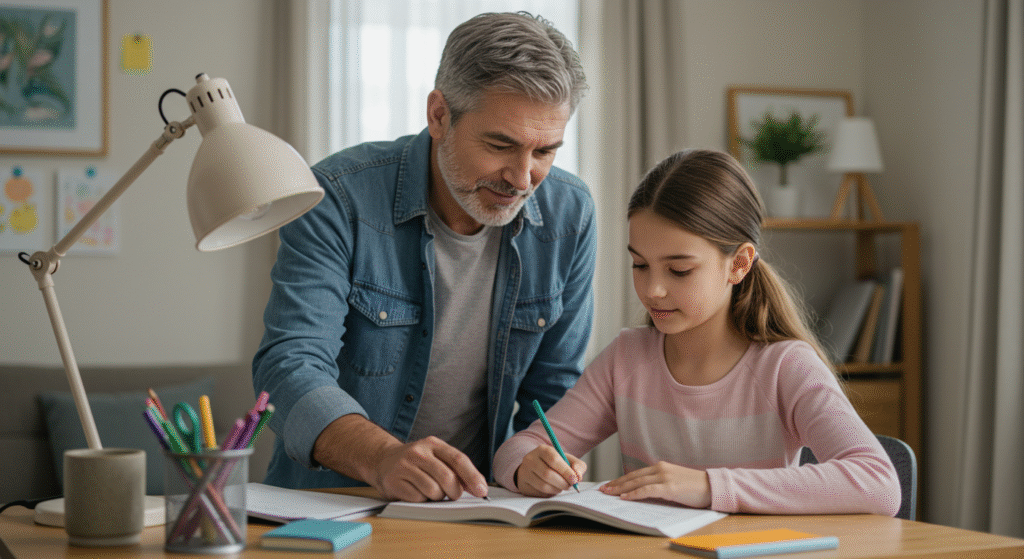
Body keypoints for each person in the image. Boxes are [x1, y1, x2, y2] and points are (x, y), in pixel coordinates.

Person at [252, 12, 595, 503]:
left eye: (545, 151)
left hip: (478, 510)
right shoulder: (336, 197)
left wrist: (534, 461)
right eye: (501, 145)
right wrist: (382, 457)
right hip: (333, 501)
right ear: (438, 115)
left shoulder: (571, 214)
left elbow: (554, 392)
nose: (522, 179)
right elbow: (289, 365)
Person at [493, 149, 901, 516]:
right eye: (640, 265)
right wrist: (530, 468)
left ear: (738, 264)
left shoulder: (785, 366)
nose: (653, 289)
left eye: (679, 270)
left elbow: (878, 483)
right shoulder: (627, 358)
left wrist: (709, 486)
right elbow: (517, 449)